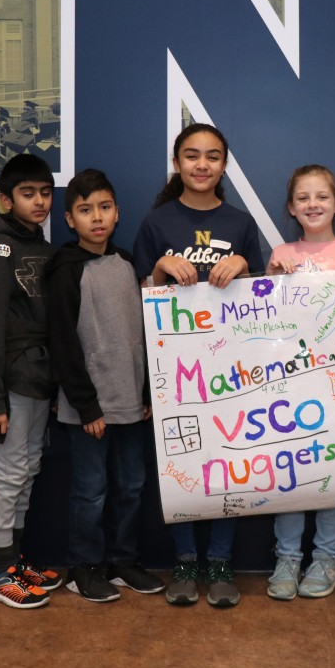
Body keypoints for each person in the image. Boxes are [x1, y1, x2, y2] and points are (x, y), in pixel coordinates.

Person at [132, 123, 264, 608]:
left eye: (212, 156)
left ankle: (221, 561)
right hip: (176, 370)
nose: (202, 165)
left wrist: (247, 266)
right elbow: (141, 299)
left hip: (231, 368)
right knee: (183, 462)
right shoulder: (157, 223)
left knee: (228, 459)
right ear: (177, 163)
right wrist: (161, 270)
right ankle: (186, 559)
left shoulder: (240, 223)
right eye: (192, 156)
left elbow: (265, 303)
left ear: (224, 164)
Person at [48, 168, 166, 603]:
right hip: (89, 411)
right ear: (69, 219)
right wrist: (87, 407)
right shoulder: (65, 270)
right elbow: (63, 345)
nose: (96, 217)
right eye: (84, 210)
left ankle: (122, 560)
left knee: (132, 486)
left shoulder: (127, 265)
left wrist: (148, 394)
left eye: (104, 207)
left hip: (132, 404)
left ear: (117, 213)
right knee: (90, 491)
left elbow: (144, 335)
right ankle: (85, 567)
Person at [263, 165, 335, 600]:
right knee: (289, 472)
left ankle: (328, 558)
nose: (313, 204)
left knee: (330, 470)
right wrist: (272, 277)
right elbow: (262, 325)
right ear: (292, 208)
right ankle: (288, 557)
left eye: (322, 197)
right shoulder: (280, 251)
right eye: (304, 198)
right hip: (287, 383)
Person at [0, 154, 61, 609]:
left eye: (45, 192)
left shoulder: (40, 244)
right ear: (6, 199)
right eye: (28, 194)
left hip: (39, 378)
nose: (39, 201)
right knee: (8, 472)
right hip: (9, 382)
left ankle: (15, 559)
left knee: (27, 467)